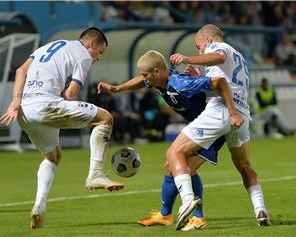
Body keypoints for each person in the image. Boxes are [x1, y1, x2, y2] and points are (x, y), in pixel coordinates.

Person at [97, 49, 239, 231]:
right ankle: (165, 215)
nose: (144, 78)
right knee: (171, 165)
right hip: (200, 129)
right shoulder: (159, 81)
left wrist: (233, 114)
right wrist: (116, 89)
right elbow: (141, 82)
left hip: (212, 128)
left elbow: (219, 82)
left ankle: (198, 219)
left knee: (186, 167)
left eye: (146, 74)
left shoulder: (180, 83)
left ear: (157, 71)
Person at [0, 27, 124, 229]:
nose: (98, 58)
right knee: (105, 118)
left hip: (24, 112)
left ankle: (39, 205)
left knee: (53, 156)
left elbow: (20, 70)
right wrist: (69, 87)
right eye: (99, 52)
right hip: (46, 106)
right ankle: (95, 174)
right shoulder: (83, 55)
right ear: (91, 43)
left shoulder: (48, 47)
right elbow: (71, 94)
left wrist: (15, 102)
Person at [169, 24, 271, 229]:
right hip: (241, 114)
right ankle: (261, 210)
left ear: (209, 41)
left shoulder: (220, 48)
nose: (200, 51)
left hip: (222, 109)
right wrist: (200, 77)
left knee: (174, 153)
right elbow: (223, 76)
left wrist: (188, 58)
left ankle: (187, 201)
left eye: (200, 47)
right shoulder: (240, 56)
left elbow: (219, 57)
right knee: (244, 165)